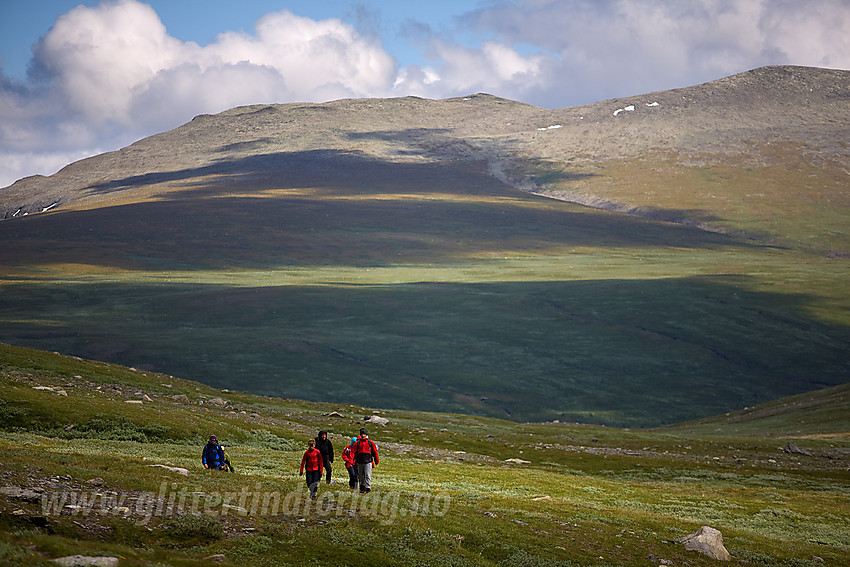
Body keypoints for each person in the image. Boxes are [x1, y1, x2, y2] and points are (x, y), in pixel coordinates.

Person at [353, 428, 379, 494]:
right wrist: (351, 461)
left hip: (368, 461)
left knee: (367, 475)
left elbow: (375, 451)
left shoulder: (370, 443)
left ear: (366, 434)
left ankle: (367, 487)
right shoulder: (357, 443)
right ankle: (362, 487)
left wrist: (376, 460)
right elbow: (353, 452)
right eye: (362, 434)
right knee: (361, 475)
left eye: (364, 434)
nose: (363, 435)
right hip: (360, 461)